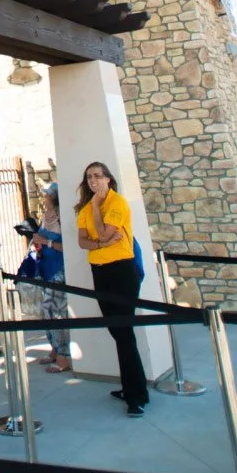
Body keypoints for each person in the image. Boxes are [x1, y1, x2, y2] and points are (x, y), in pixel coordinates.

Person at [75, 161, 148, 416]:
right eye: (89, 177)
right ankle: (132, 387)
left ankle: (136, 395)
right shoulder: (85, 209)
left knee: (124, 331)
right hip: (100, 271)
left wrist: (96, 208)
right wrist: (99, 244)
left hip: (121, 270)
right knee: (116, 331)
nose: (93, 181)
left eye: (97, 176)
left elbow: (105, 233)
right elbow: (83, 241)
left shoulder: (116, 203)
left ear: (108, 178)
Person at [32, 185, 71, 372]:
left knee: (57, 310)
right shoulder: (46, 216)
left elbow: (66, 245)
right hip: (46, 267)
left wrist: (45, 241)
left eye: (47, 196)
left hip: (59, 268)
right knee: (46, 310)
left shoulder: (62, 217)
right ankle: (54, 348)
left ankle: (64, 356)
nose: (44, 198)